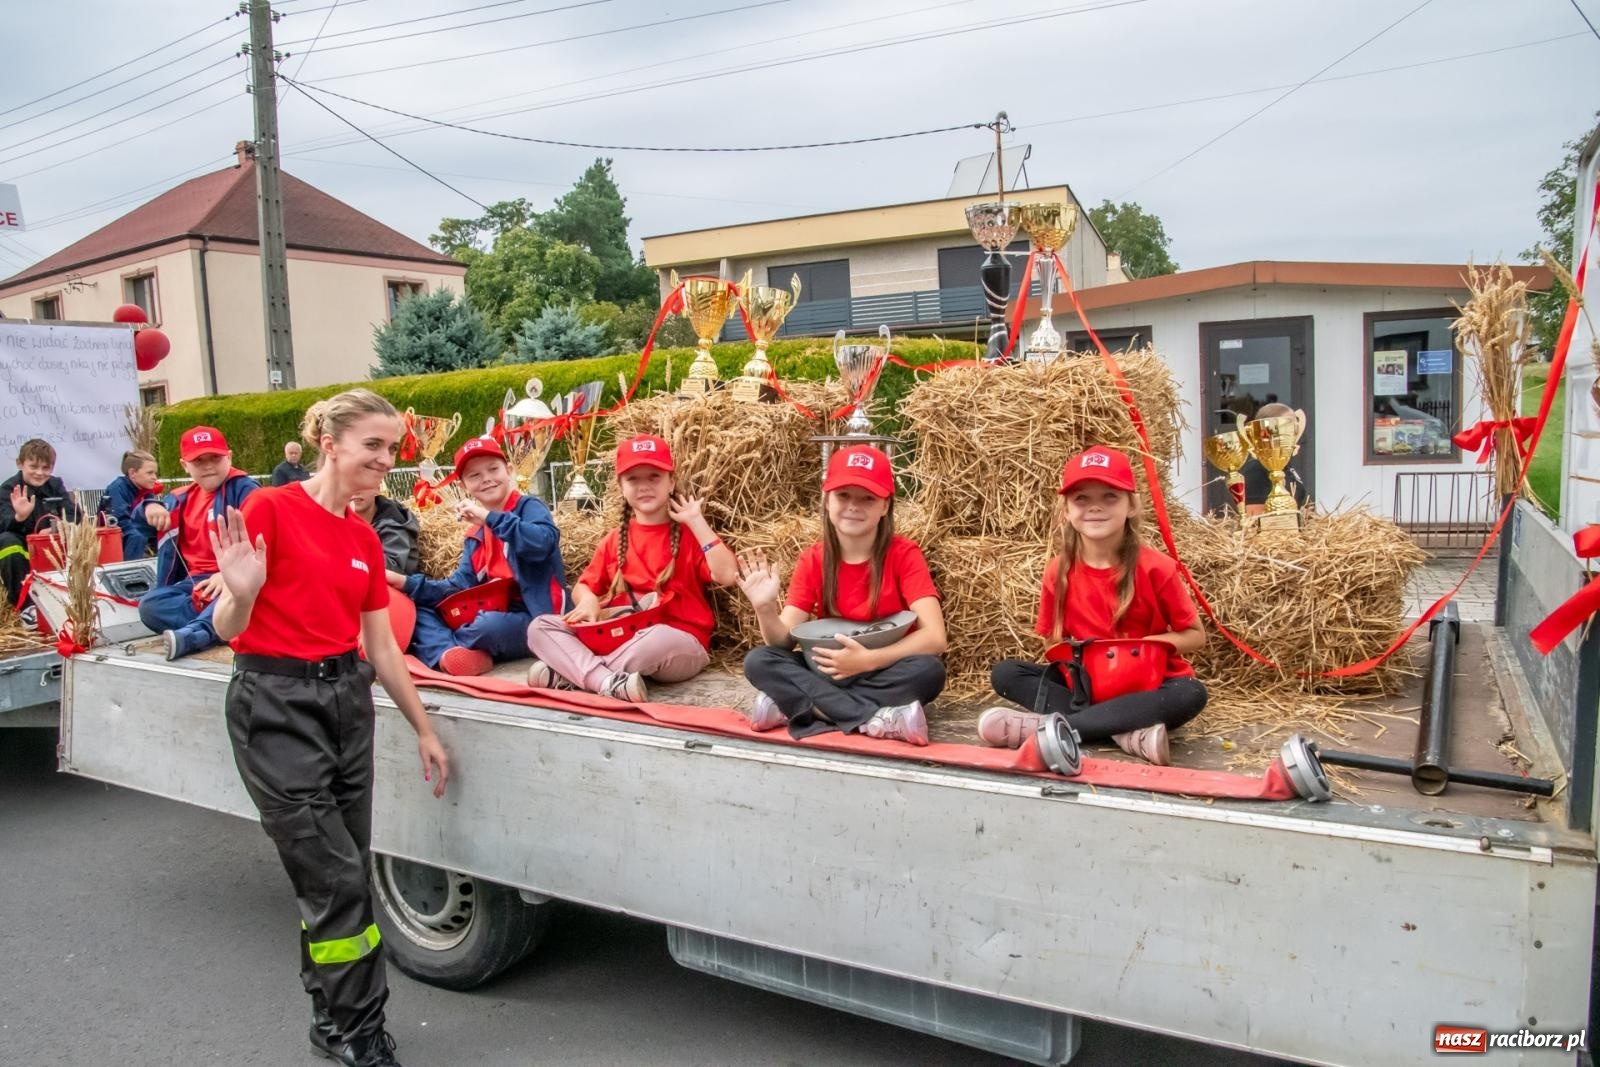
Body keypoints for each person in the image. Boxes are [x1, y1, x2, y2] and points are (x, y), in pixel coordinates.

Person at [207, 387, 449, 1067]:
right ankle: (364, 1035)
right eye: (373, 444)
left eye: (392, 448)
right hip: (275, 703)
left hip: (347, 701)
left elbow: (383, 650)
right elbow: (229, 628)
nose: (385, 458)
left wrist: (424, 728)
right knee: (340, 879)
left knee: (336, 880)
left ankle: (330, 1018)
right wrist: (243, 590)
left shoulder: (365, 538)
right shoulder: (270, 509)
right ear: (330, 444)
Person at [981, 445, 1208, 765]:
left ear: (1131, 506)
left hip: (1147, 682)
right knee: (1006, 673)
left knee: (1191, 693)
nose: (1095, 508)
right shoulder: (1057, 571)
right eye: (1082, 499)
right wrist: (1085, 661)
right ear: (1066, 511)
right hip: (1086, 684)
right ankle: (1124, 731)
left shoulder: (1157, 567)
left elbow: (1195, 635)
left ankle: (1054, 729)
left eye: (1110, 497)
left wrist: (1145, 648)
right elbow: (1053, 643)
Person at [736, 444, 946, 745]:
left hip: (882, 668)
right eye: (843, 495)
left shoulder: (904, 554)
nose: (853, 506)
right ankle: (875, 718)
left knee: (929, 671)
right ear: (826, 499)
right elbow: (782, 641)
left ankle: (802, 708)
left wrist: (868, 660)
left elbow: (935, 637)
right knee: (760, 660)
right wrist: (765, 608)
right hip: (825, 668)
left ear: (885, 506)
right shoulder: (813, 558)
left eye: (868, 498)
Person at [525, 434, 738, 701]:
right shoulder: (614, 539)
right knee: (540, 626)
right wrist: (589, 601)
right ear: (621, 487)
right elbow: (583, 587)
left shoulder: (690, 534)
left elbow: (728, 575)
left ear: (671, 482)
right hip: (619, 634)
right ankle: (606, 681)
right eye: (633, 479)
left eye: (654, 476)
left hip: (677, 642)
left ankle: (574, 676)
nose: (644, 486)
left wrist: (697, 521)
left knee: (657, 638)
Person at [394, 436, 566, 676]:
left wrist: (489, 518)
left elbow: (540, 544)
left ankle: (448, 646)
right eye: (474, 475)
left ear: (509, 471)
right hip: (492, 612)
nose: (486, 478)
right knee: (420, 609)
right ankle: (449, 654)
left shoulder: (529, 507)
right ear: (464, 485)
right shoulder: (475, 535)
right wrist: (404, 582)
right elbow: (459, 587)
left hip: (537, 620)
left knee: (488, 625)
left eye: (493, 469)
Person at [138, 427, 259, 660]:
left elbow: (264, 540)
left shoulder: (246, 490)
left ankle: (198, 633)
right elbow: (136, 526)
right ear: (185, 465)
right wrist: (148, 506)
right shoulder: (178, 499)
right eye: (198, 460)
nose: (208, 465)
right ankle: (222, 625)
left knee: (236, 595)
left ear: (229, 457)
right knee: (150, 606)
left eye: (215, 457)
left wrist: (228, 575)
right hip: (197, 585)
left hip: (237, 579)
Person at [0, 438, 82, 620]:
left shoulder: (56, 485)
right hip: (23, 546)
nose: (40, 473)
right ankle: (27, 608)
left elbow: (75, 514)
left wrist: (59, 526)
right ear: (19, 464)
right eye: (34, 467)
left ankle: (75, 601)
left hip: (53, 544)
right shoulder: (7, 489)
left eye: (46, 468)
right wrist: (19, 517)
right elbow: (2, 523)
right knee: (6, 541)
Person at [1239, 402, 1302, 512]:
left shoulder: (1284, 462)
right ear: (1268, 431)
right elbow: (1254, 517)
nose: (1293, 431)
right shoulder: (1256, 469)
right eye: (1287, 426)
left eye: (1294, 426)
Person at [101, 449, 161, 558]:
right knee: (136, 537)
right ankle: (130, 569)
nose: (155, 477)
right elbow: (121, 519)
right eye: (150, 473)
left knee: (167, 529)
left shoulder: (146, 489)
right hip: (117, 531)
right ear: (132, 473)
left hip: (136, 526)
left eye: (155, 473)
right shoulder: (117, 488)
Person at [350, 490, 420, 576]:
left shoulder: (392, 526)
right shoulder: (342, 516)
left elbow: (394, 570)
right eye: (350, 485)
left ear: (376, 488)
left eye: (362, 484)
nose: (355, 491)